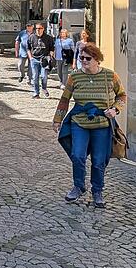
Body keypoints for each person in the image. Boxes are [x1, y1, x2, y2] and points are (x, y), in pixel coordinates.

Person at [52, 43, 126, 208]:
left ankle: (97, 190)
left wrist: (115, 109)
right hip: (79, 123)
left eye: (87, 58)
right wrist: (57, 120)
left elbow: (122, 95)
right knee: (77, 155)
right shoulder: (74, 76)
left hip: (102, 125)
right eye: (81, 58)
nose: (84, 61)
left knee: (99, 160)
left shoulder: (110, 76)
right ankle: (78, 186)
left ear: (97, 59)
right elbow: (65, 100)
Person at [27, 23, 55, 98]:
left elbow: (52, 48)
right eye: (36, 29)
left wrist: (50, 56)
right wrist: (31, 58)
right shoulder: (31, 37)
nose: (38, 30)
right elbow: (28, 48)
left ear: (43, 29)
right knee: (35, 76)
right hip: (35, 59)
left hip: (44, 60)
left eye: (40, 28)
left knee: (44, 76)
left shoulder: (48, 38)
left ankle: (44, 88)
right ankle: (36, 92)